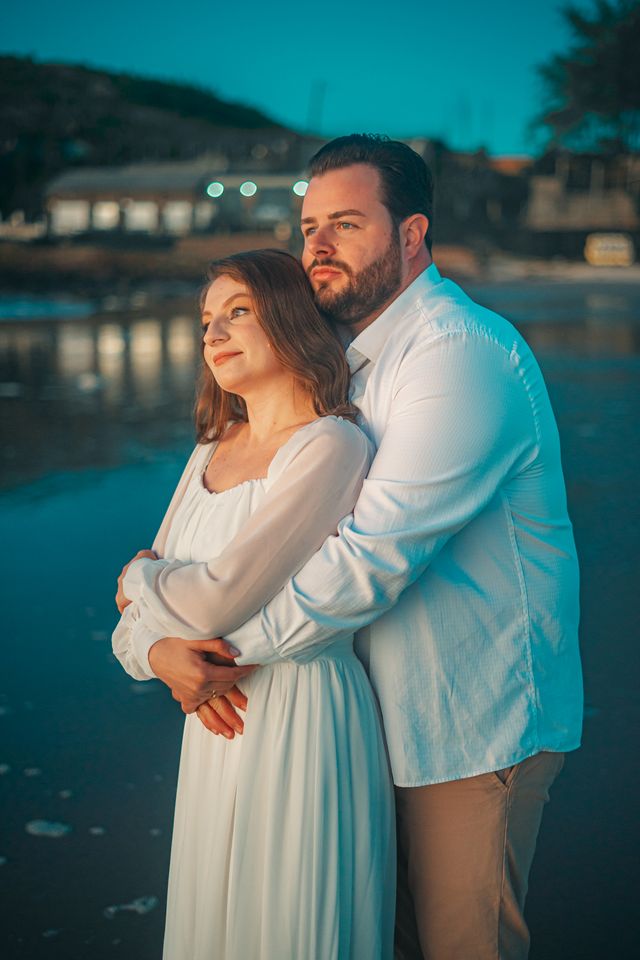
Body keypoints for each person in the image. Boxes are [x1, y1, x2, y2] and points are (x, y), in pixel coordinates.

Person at [121, 136, 583, 960]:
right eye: (309, 228)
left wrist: (212, 658)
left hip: (466, 722)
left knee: (462, 948)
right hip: (360, 723)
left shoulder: (458, 354)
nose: (319, 247)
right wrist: (157, 648)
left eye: (346, 224)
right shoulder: (342, 366)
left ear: (411, 234)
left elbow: (368, 562)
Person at [112, 248, 396, 960]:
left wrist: (137, 577)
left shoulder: (329, 445)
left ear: (291, 318)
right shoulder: (211, 448)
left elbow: (212, 602)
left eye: (237, 311)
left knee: (289, 922)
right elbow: (130, 631)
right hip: (216, 721)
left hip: (300, 715)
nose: (213, 333)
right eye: (206, 319)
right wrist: (157, 652)